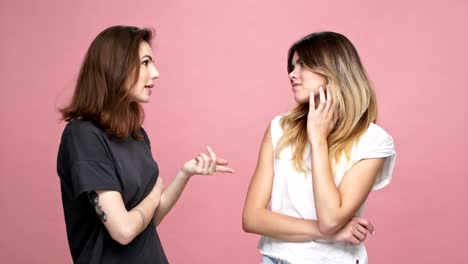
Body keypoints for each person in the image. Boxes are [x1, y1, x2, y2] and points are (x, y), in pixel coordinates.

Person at [57, 25, 234, 264]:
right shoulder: (84, 136)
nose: (156, 72)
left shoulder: (136, 135)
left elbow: (148, 222)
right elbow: (124, 231)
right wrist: (154, 193)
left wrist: (185, 173)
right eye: (145, 63)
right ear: (116, 66)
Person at [242, 31, 396, 264]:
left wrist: (318, 138)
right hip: (276, 259)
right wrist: (330, 234)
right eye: (292, 67)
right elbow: (252, 218)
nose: (292, 74)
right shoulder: (279, 129)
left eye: (302, 65)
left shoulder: (373, 140)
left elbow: (330, 218)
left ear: (333, 70)